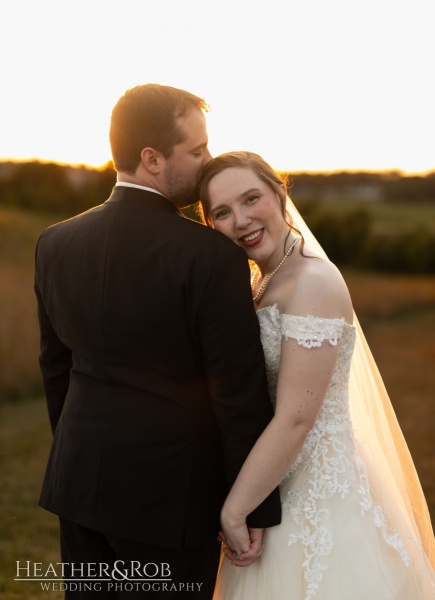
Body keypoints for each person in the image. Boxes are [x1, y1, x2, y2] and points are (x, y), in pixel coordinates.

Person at [34, 87, 281, 599]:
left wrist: (79, 457)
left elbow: (56, 370)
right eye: (196, 151)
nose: (207, 161)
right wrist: (253, 508)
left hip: (78, 486)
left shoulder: (54, 243)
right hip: (170, 503)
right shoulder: (209, 256)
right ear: (152, 159)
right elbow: (237, 392)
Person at [199, 151, 435, 599]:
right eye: (223, 212)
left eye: (252, 199)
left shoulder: (312, 281)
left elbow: (296, 419)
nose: (242, 220)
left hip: (320, 500)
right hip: (274, 486)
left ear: (280, 193)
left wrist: (235, 509)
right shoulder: (264, 280)